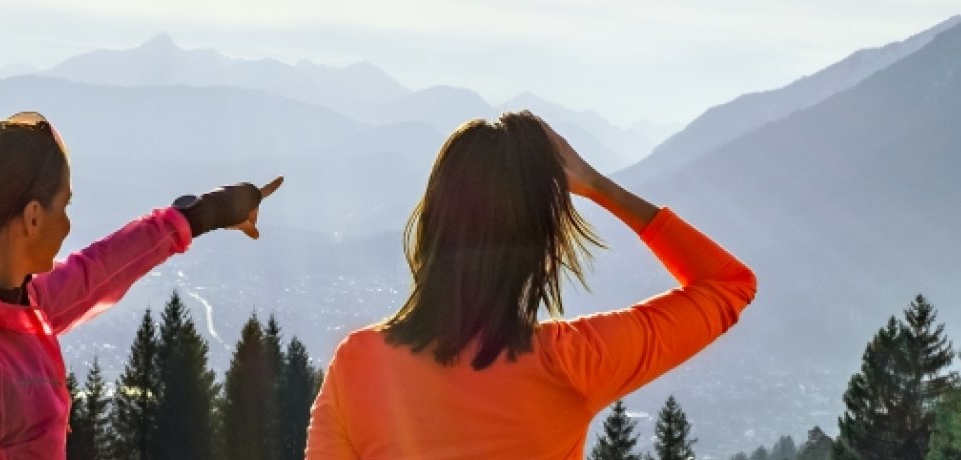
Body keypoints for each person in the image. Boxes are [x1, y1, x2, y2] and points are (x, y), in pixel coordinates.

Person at [305, 111, 758, 459]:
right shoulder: (572, 362)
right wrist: (596, 185)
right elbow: (727, 283)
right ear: (540, 246)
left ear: (431, 226)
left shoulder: (356, 365)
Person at [0, 112, 280, 459]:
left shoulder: (20, 306)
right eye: (64, 206)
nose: (67, 224)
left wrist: (210, 210)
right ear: (33, 216)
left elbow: (102, 269)